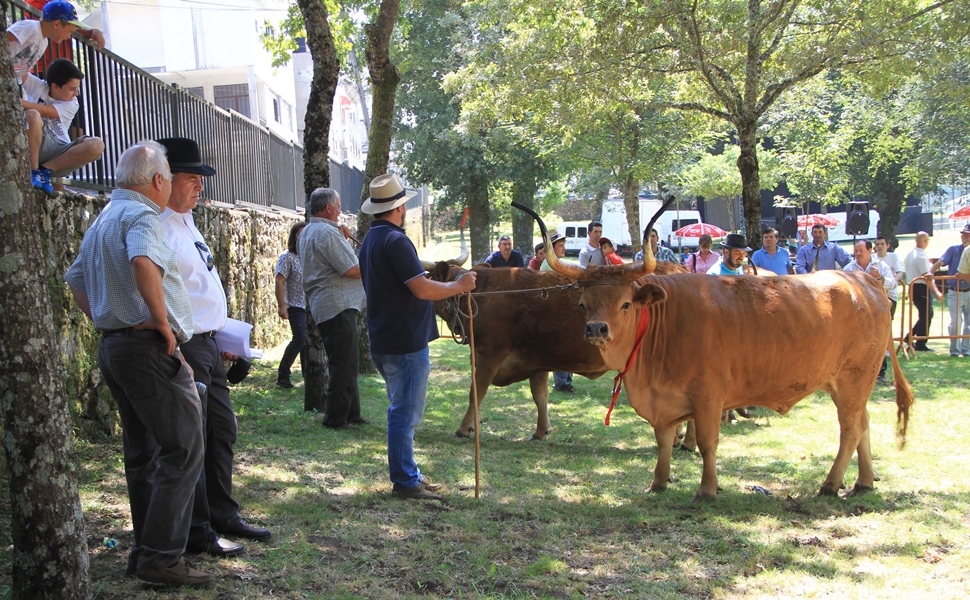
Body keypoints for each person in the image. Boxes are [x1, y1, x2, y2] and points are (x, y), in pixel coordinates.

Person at [64, 141, 213, 587]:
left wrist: (108, 320)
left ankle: (148, 551)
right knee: (183, 447)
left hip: (118, 346)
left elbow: (75, 280)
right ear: (156, 181)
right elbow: (143, 261)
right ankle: (162, 557)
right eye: (168, 178)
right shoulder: (141, 215)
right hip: (145, 348)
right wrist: (161, 324)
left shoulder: (103, 218)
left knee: (143, 452)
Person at [157, 137, 271, 559]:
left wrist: (223, 337)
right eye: (191, 178)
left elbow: (198, 287)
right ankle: (200, 529)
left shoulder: (186, 220)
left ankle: (224, 513)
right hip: (186, 347)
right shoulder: (158, 225)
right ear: (164, 179)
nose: (199, 186)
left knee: (221, 432)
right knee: (196, 440)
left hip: (208, 345)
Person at [358, 173, 477, 500]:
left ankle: (409, 473)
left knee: (402, 410)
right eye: (405, 204)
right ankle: (406, 482)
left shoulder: (372, 239)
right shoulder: (396, 241)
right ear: (399, 207)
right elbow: (422, 289)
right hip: (405, 341)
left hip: (385, 338)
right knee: (405, 414)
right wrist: (458, 286)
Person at [298, 187, 368, 429]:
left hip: (328, 306)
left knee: (347, 361)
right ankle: (335, 419)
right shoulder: (327, 233)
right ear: (328, 207)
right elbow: (351, 269)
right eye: (338, 206)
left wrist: (345, 241)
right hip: (337, 305)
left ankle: (352, 413)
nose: (340, 210)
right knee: (344, 364)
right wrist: (376, 259)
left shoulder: (310, 231)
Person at [7, 1, 90, 193]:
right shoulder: (30, 27)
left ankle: (41, 173)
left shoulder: (43, 42)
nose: (70, 35)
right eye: (70, 30)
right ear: (56, 24)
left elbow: (22, 71)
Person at [21, 58, 104, 191]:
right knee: (32, 115)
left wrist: (16, 101)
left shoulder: (73, 103)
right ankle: (34, 171)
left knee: (97, 144)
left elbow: (44, 110)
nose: (76, 93)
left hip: (59, 152)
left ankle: (44, 171)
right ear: (55, 86)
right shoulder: (38, 86)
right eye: (72, 89)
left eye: (77, 88)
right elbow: (19, 71)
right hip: (35, 143)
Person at [843, 240, 897, 381]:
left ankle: (880, 372)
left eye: (861, 250)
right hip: (858, 309)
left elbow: (892, 284)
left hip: (877, 308)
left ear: (869, 251)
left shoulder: (880, 265)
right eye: (856, 250)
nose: (858, 253)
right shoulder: (849, 268)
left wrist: (880, 278)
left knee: (878, 339)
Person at [539, 231, 574, 391]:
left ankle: (565, 381)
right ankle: (562, 382)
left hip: (561, 312)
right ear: (552, 248)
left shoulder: (556, 263)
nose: (564, 248)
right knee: (560, 347)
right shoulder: (550, 265)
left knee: (566, 346)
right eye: (560, 245)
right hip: (554, 313)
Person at [929, 225, 970, 357]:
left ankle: (966, 350)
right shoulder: (953, 249)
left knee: (969, 324)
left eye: (968, 235)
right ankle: (954, 350)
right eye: (964, 234)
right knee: (955, 323)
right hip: (954, 291)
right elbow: (941, 261)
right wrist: (930, 272)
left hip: (969, 290)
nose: (965, 237)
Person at [275, 221, 307, 387]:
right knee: (300, 339)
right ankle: (283, 375)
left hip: (310, 305)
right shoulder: (287, 257)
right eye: (299, 233)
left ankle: (308, 376)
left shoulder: (309, 256)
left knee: (308, 342)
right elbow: (280, 281)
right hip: (295, 305)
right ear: (294, 236)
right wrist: (282, 306)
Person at [903, 231, 943, 352]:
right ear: (925, 241)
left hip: (913, 286)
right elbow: (927, 277)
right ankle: (920, 342)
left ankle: (911, 336)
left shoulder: (910, 254)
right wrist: (936, 292)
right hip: (920, 288)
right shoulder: (920, 256)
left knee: (925, 314)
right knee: (926, 314)